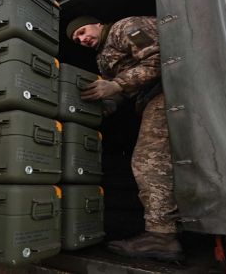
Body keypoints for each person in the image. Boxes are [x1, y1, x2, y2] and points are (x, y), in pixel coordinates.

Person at [66, 15, 183, 261]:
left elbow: (162, 57)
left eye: (83, 31)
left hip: (170, 90)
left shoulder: (124, 27)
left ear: (98, 24)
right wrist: (107, 102)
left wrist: (117, 84)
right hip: (151, 97)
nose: (83, 39)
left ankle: (162, 237)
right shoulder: (102, 57)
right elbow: (119, 91)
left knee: (147, 163)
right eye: (77, 39)